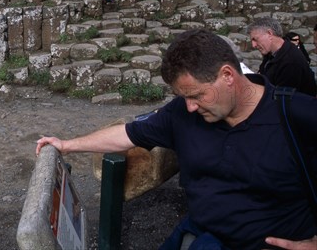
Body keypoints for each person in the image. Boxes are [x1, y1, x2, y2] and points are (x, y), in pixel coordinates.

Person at [37, 28, 317, 250]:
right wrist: (68, 145)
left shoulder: (296, 114)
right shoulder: (182, 113)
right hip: (202, 234)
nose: (191, 107)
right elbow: (127, 134)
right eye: (184, 98)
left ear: (228, 76)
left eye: (196, 95)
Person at [248, 17, 316, 96]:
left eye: (255, 39)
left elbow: (280, 99)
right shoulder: (272, 53)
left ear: (269, 34)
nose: (253, 45)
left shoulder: (290, 61)